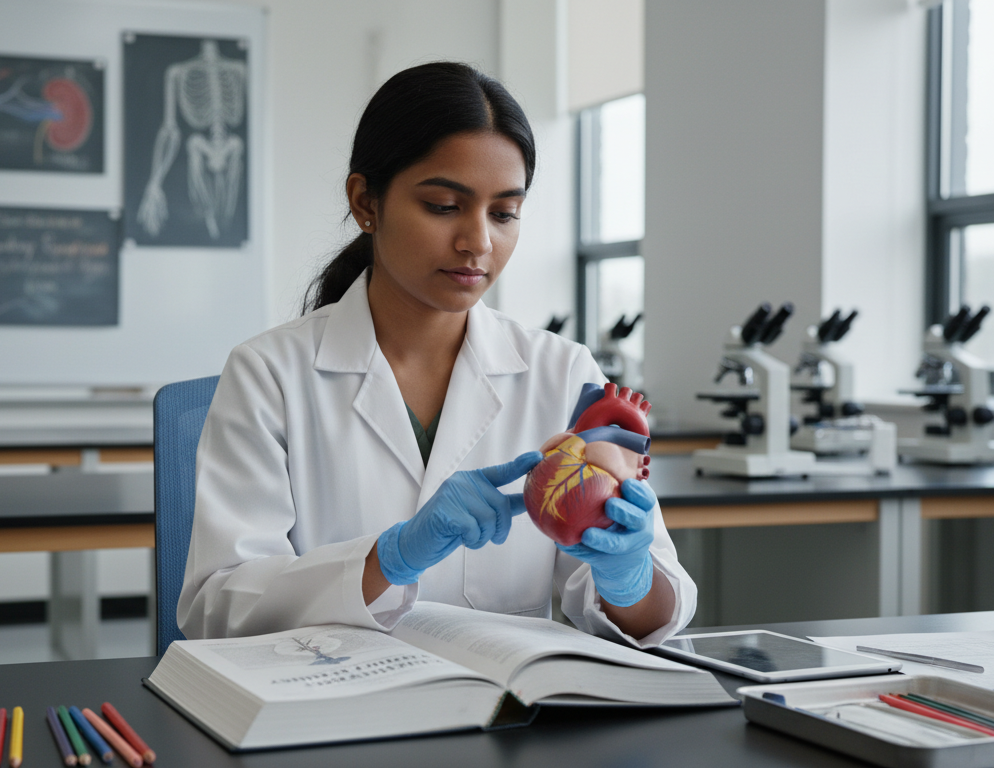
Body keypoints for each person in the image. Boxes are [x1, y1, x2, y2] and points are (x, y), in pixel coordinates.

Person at [178, 62, 696, 648]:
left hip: (504, 720)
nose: (478, 242)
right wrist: (390, 558)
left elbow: (653, 618)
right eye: (445, 205)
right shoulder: (269, 374)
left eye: (504, 213)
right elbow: (217, 607)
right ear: (365, 201)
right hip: (335, 714)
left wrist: (624, 576)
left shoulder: (566, 374)